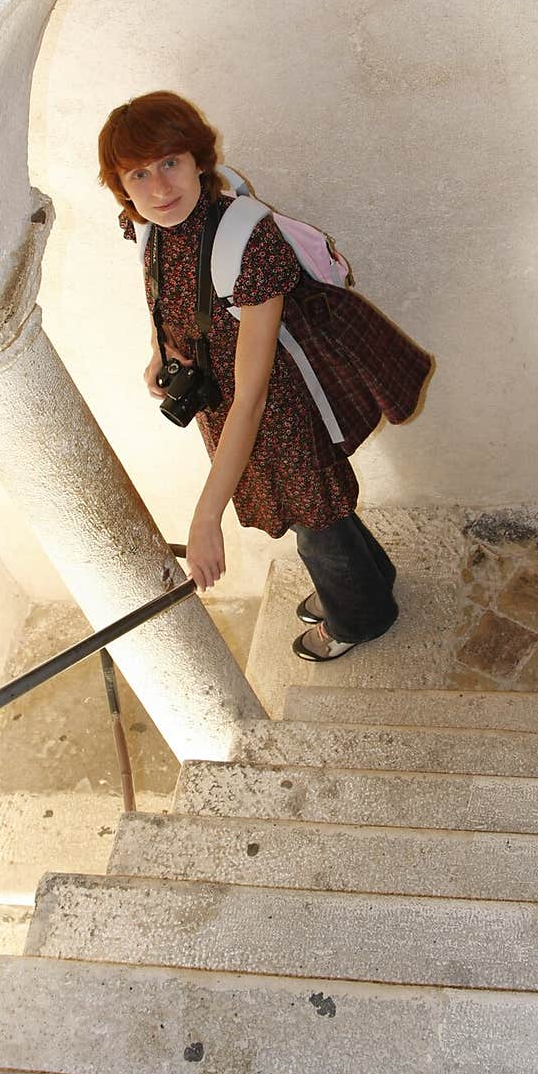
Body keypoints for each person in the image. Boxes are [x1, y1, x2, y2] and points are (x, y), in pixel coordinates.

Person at [97, 91, 435, 661]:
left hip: (278, 412)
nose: (159, 188)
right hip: (221, 403)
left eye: (171, 163)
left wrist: (208, 516)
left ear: (199, 159)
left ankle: (361, 617)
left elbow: (252, 398)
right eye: (138, 174)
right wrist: (162, 351)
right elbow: (168, 301)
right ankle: (370, 576)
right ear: (121, 187)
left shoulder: (247, 240)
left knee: (312, 517)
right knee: (317, 510)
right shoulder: (152, 231)